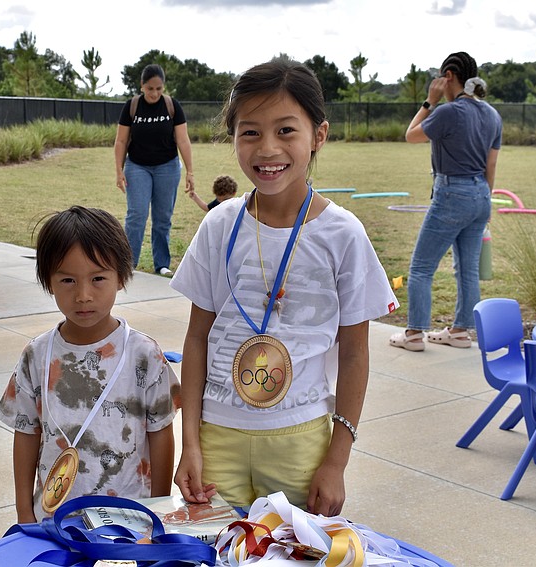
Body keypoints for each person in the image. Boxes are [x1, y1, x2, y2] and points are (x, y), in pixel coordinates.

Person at [170, 60, 398, 516]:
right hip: (218, 439)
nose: (267, 148)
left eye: (286, 130)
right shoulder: (219, 225)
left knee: (293, 554)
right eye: (250, 132)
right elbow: (197, 339)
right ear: (233, 137)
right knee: (214, 551)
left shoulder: (343, 235)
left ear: (318, 135)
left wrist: (337, 461)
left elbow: (355, 353)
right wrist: (189, 444)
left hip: (301, 441)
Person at [0, 206, 181, 523]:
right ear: (48, 281)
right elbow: (25, 433)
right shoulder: (36, 355)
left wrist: (158, 509)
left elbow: (161, 433)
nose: (83, 295)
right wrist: (24, 510)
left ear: (121, 277)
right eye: (67, 279)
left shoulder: (144, 354)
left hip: (130, 518)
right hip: (55, 519)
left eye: (98, 278)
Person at [389, 52, 502, 352]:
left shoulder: (448, 112)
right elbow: (491, 166)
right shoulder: (492, 114)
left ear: (448, 76)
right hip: (481, 195)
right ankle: (461, 332)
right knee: (467, 270)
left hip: (452, 193)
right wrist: (484, 204)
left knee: (422, 267)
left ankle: (414, 335)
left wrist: (430, 101)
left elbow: (410, 135)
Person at [114, 64, 195, 277]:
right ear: (142, 86)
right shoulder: (131, 106)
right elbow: (121, 141)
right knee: (136, 215)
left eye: (159, 89)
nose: (155, 93)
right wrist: (118, 170)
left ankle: (162, 264)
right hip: (137, 166)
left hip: (167, 167)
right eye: (150, 88)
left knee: (162, 218)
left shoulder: (172, 106)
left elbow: (183, 140)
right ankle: (128, 263)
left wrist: (190, 171)